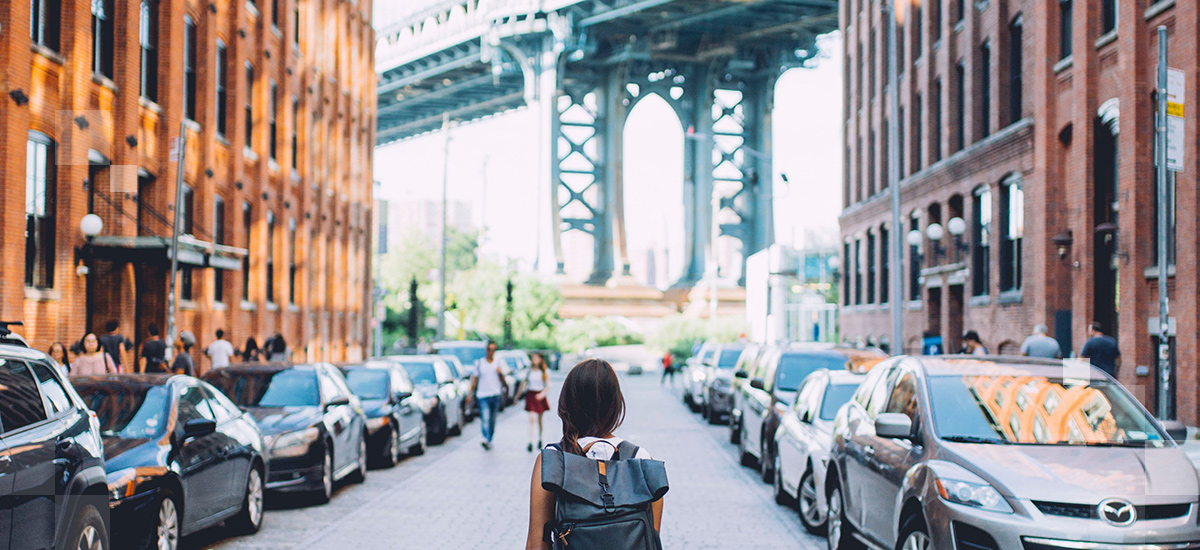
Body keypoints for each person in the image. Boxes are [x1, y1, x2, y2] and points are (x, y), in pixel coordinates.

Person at [525, 359, 663, 550]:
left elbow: (536, 546)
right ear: (616, 404)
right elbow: (650, 540)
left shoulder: (554, 460)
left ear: (568, 403)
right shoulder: (642, 462)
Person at [471, 341, 510, 450]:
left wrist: (500, 373)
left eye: (493, 350)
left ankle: (490, 438)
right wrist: (470, 394)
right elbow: (475, 379)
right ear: (486, 350)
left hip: (495, 394)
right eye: (489, 349)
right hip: (482, 394)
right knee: (485, 417)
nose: (491, 352)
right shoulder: (480, 363)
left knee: (492, 419)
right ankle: (485, 438)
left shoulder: (498, 363)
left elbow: (504, 380)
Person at [525, 352, 551, 452]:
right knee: (531, 419)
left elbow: (548, 385)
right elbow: (525, 382)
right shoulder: (529, 371)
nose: (534, 360)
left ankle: (540, 438)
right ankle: (530, 441)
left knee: (540, 420)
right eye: (533, 358)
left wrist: (542, 394)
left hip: (539, 395)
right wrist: (517, 396)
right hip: (531, 394)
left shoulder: (544, 371)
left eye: (536, 358)